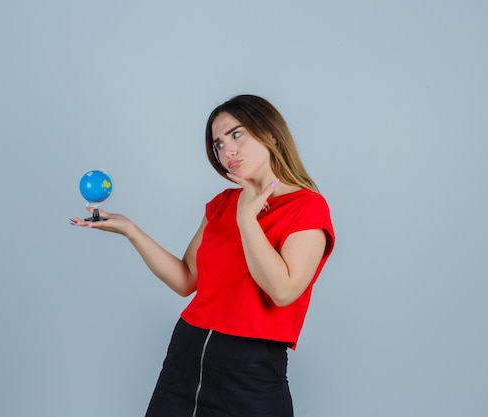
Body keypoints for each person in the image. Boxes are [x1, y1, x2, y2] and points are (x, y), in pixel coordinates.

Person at [70, 94, 335, 417]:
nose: (227, 151)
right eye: (218, 144)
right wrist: (132, 231)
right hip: (185, 356)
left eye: (236, 134)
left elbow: (282, 291)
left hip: (250, 373)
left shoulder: (307, 207)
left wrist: (247, 217)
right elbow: (186, 279)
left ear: (271, 134)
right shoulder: (222, 203)